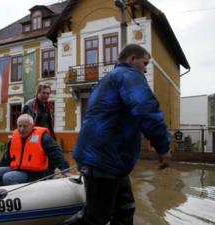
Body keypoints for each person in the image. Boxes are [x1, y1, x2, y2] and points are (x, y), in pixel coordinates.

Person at [63, 44, 172, 225]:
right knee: (96, 218)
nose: (145, 70)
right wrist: (163, 146)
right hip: (103, 157)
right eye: (144, 63)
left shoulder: (106, 80)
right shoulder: (128, 75)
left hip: (110, 158)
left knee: (125, 209)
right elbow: (146, 109)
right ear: (132, 59)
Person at [0, 114, 71, 186]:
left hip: (37, 173)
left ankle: (19, 198)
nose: (21, 129)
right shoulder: (14, 139)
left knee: (8, 177)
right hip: (18, 169)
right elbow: (6, 158)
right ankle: (2, 195)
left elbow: (56, 153)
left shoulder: (43, 137)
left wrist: (65, 170)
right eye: (19, 126)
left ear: (32, 126)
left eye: (25, 126)